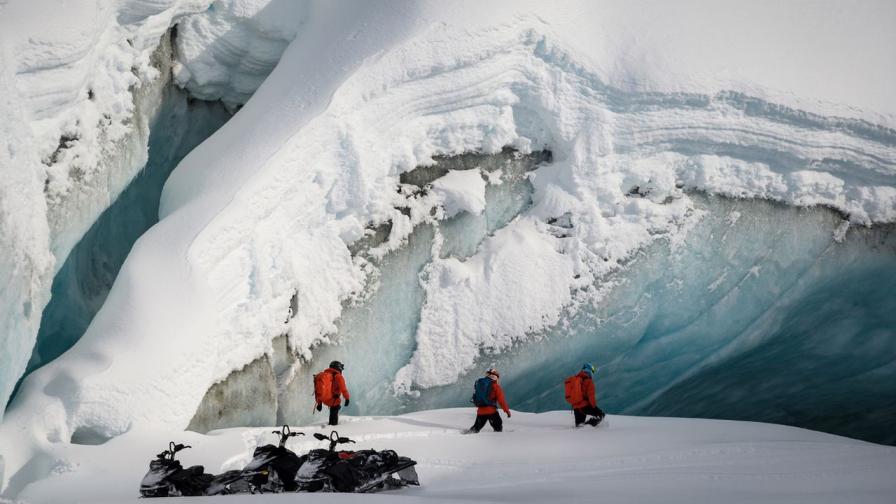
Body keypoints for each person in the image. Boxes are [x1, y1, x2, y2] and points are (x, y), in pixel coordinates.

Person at [467, 367, 511, 433]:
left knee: (476, 428)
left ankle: (465, 437)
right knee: (498, 427)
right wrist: (507, 411)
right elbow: (501, 401)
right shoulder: (496, 386)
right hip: (492, 411)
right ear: (495, 377)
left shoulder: (479, 383)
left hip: (481, 411)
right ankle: (497, 441)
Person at [564, 363, 605, 427]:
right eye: (593, 370)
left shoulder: (576, 379)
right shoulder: (589, 381)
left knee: (579, 426)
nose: (593, 372)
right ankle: (588, 426)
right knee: (601, 415)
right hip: (585, 406)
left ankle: (582, 431)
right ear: (589, 370)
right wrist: (594, 408)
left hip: (576, 407)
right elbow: (591, 396)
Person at [314, 360, 351, 426]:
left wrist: (319, 404)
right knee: (335, 411)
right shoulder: (338, 376)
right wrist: (347, 398)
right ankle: (333, 426)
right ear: (338, 368)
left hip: (325, 399)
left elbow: (319, 390)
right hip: (334, 400)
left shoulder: (324, 376)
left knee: (333, 411)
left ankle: (331, 424)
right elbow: (343, 389)